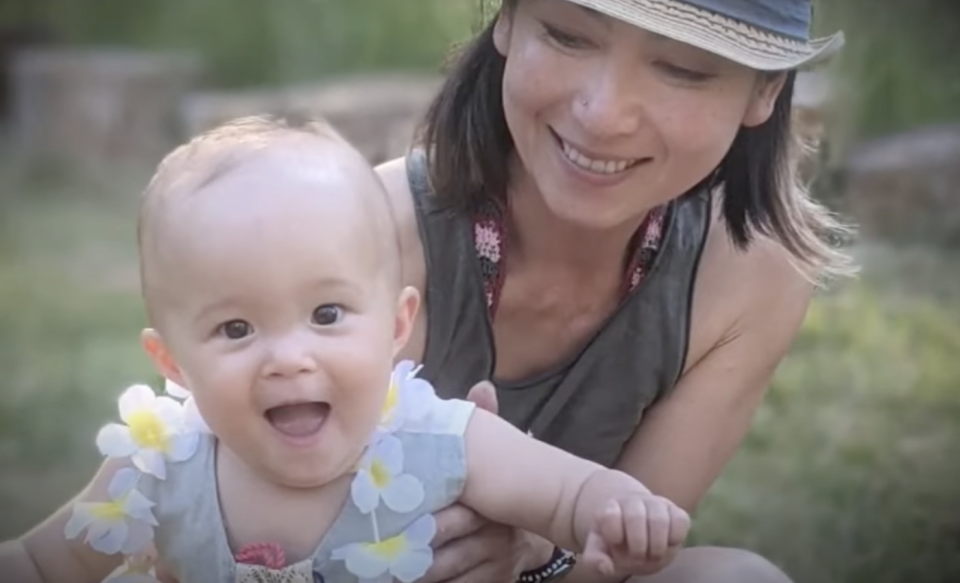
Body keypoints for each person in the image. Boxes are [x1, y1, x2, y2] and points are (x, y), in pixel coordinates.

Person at [0, 116, 694, 583]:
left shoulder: (439, 441)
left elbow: (568, 489)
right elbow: (37, 562)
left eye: (326, 313)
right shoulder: (155, 467)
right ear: (174, 364)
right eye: (236, 329)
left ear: (396, 326)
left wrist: (616, 509)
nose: (288, 357)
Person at [374, 1, 855, 582]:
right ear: (506, 21)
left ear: (765, 91)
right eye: (566, 36)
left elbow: (620, 559)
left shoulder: (751, 276)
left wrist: (539, 553)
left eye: (683, 69)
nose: (602, 114)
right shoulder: (369, 238)